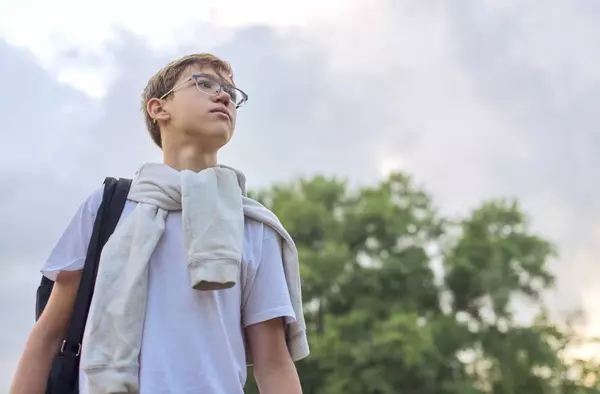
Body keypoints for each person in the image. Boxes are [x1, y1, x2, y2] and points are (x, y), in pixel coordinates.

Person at [11, 53, 307, 394]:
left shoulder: (254, 227)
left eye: (231, 91)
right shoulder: (108, 207)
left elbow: (272, 361)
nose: (224, 95)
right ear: (158, 108)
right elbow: (48, 337)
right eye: (205, 83)